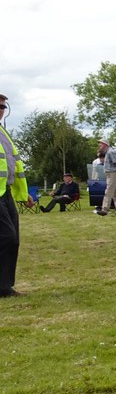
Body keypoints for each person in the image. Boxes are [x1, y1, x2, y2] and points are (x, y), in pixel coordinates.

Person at [0, 92, 32, 296]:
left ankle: (4, 287)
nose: (1, 110)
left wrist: (23, 194)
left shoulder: (3, 133)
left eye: (2, 106)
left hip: (6, 192)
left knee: (14, 239)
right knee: (7, 237)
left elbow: (14, 166)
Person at [95, 138, 116, 216]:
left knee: (108, 191)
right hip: (110, 174)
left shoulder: (111, 152)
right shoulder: (107, 152)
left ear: (105, 144)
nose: (99, 145)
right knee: (115, 193)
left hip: (112, 173)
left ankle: (104, 209)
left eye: (101, 144)